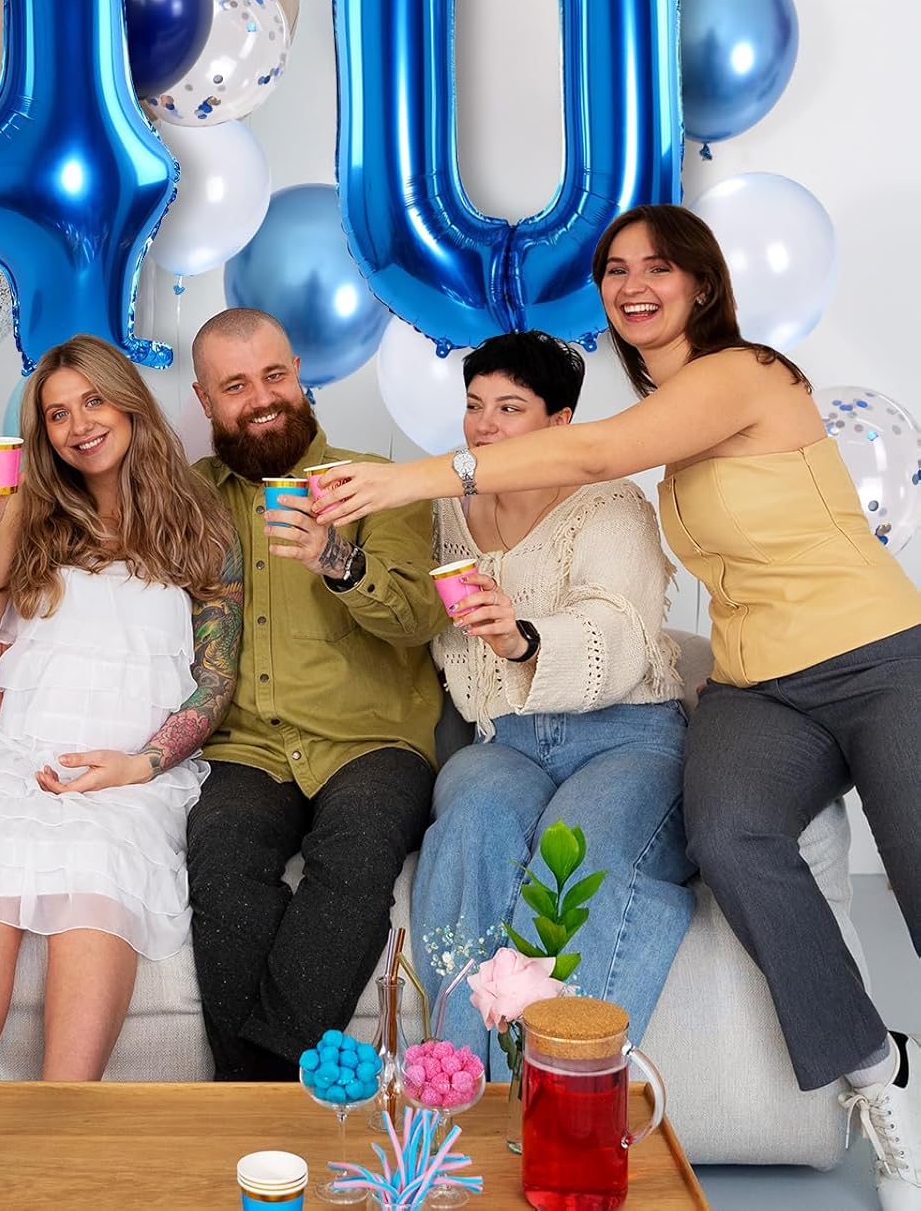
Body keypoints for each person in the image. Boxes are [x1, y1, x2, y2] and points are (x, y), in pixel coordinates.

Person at [316, 205, 921, 1208]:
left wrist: (401, 479)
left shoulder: (745, 374)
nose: (632, 283)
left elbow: (595, 458)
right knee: (727, 836)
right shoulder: (676, 437)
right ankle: (876, 1071)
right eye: (614, 268)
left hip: (874, 656)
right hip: (758, 687)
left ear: (702, 284)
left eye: (658, 266)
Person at [0, 334, 242, 1081]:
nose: (79, 425)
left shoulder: (202, 524)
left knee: (98, 872)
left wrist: (137, 766)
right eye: (57, 414)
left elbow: (215, 680)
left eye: (93, 401)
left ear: (130, 403)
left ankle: (61, 1118)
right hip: (14, 753)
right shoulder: (27, 509)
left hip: (127, 772)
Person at [410, 330, 693, 1073]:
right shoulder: (442, 509)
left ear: (560, 423)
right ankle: (455, 1079)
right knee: (470, 822)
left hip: (626, 736)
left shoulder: (610, 503)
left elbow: (620, 629)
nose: (484, 425)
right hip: (506, 743)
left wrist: (524, 641)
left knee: (577, 852)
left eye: (510, 408)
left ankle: (558, 1086)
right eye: (475, 405)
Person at [180, 307, 450, 1081]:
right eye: (236, 385)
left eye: (275, 375)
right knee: (222, 858)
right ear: (204, 400)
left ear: (299, 375)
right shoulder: (187, 497)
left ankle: (255, 1089)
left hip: (371, 742)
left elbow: (419, 617)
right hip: (245, 747)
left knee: (355, 853)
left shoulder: (379, 484)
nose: (262, 398)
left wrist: (338, 559)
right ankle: (274, 1100)